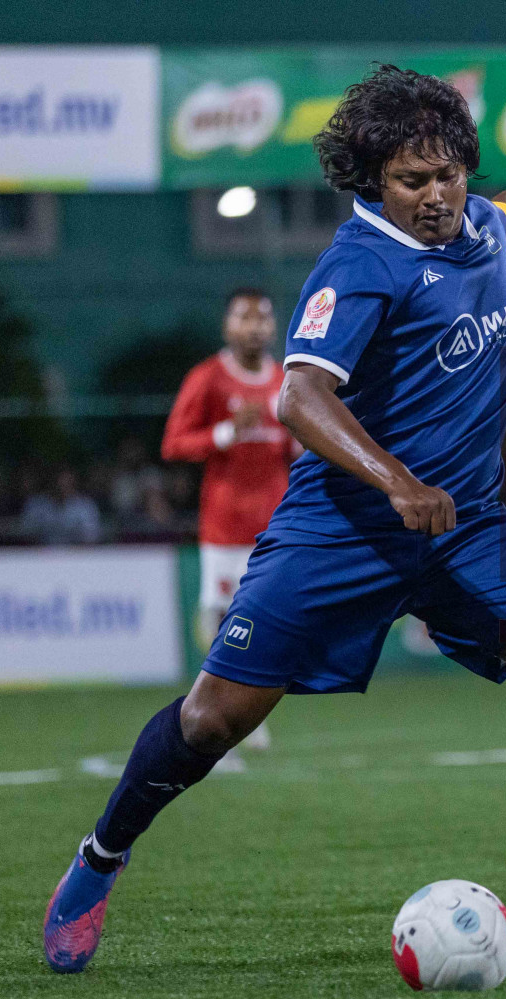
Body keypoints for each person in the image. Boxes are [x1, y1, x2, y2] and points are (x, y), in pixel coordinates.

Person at [42, 65, 506, 974]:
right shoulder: (359, 265)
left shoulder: (479, 221)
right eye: (410, 181)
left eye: (446, 175)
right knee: (213, 720)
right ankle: (97, 861)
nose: (434, 197)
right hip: (343, 530)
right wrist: (394, 481)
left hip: (463, 527)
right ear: (372, 183)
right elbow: (300, 397)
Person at [160, 287, 293, 755]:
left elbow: (295, 449)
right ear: (228, 326)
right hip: (223, 525)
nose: (254, 325)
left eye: (263, 317)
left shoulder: (287, 380)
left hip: (276, 525)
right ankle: (212, 717)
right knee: (223, 624)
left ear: (274, 326)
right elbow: (174, 443)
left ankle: (250, 715)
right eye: (244, 317)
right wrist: (224, 432)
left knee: (269, 622)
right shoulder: (208, 378)